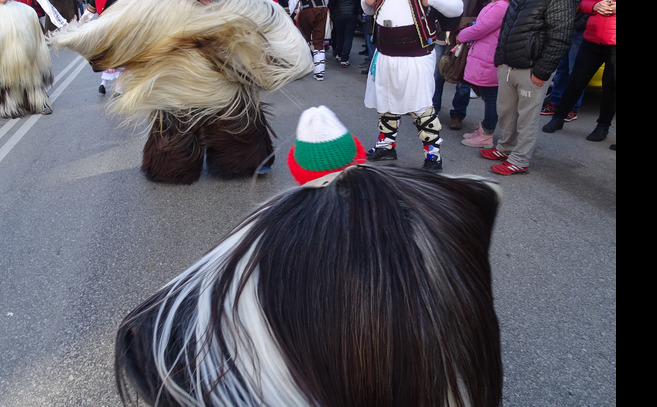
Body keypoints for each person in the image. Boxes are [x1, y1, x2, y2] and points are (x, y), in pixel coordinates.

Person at [114, 107, 503, 407]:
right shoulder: (422, 196)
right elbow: (479, 197)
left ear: (298, 171)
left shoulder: (265, 229)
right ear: (357, 156)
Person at [50, 0, 312, 184]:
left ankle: (244, 162)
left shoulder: (234, 1)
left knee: (239, 133)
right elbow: (121, 25)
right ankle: (174, 166)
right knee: (173, 150)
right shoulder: (164, 5)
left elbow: (267, 23)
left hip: (226, 90)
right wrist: (75, 39)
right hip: (178, 90)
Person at [360, 0, 464, 172]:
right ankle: (386, 146)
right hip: (385, 54)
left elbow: (457, 8)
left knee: (420, 106)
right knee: (386, 102)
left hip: (416, 55)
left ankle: (433, 154)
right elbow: (367, 9)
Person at [481, 0, 574, 175]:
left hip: (532, 68)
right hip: (509, 64)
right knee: (506, 111)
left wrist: (542, 72)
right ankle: (506, 147)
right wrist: (500, 58)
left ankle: (520, 160)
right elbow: (508, 26)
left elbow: (560, 37)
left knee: (527, 118)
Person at [541, 0, 611, 121]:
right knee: (562, 67)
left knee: (575, 70)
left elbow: (592, 1)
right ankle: (556, 102)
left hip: (583, 28)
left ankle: (571, 107)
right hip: (566, 25)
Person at [457, 0, 526, 148]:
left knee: (491, 98)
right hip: (487, 55)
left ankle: (487, 133)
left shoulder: (501, 6)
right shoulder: (504, 3)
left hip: (488, 57)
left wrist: (461, 35)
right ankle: (485, 129)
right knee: (490, 96)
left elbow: (481, 28)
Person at [433, 0, 492, 130]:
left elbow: (488, 11)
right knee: (436, 75)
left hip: (465, 40)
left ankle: (457, 114)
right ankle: (431, 110)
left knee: (463, 80)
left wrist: (468, 23)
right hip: (441, 35)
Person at [288, 0, 331, 81]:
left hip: (306, 9)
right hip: (320, 9)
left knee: (304, 39)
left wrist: (292, 12)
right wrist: (325, 7)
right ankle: (319, 72)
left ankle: (302, 68)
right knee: (318, 40)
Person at [81, 0, 125, 95]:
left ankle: (103, 83)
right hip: (116, 30)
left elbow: (87, 15)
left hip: (103, 33)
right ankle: (119, 88)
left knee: (108, 59)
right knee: (120, 59)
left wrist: (78, 26)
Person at [327, 0, 364, 68]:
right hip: (352, 12)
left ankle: (339, 54)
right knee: (348, 35)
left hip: (338, 12)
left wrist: (332, 10)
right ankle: (345, 58)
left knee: (339, 34)